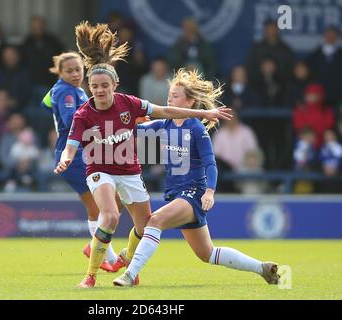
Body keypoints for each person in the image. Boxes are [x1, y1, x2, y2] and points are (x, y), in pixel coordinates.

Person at [54, 21, 232, 288]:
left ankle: (127, 265)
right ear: (89, 87)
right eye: (94, 86)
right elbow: (72, 142)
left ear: (115, 85)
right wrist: (66, 157)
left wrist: (204, 113)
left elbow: (168, 111)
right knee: (111, 216)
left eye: (104, 85)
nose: (99, 91)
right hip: (100, 170)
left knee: (144, 225)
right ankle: (90, 277)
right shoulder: (83, 113)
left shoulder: (130, 104)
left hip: (130, 171)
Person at [112, 69, 280, 287]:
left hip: (193, 194)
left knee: (154, 221)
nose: (169, 99)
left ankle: (129, 274)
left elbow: (211, 163)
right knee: (207, 253)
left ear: (190, 101)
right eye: (169, 95)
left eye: (175, 95)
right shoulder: (165, 124)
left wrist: (210, 191)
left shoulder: (196, 127)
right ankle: (262, 268)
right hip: (177, 195)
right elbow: (134, 131)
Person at [41, 51, 121, 272]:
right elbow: (72, 119)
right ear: (60, 72)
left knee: (103, 203)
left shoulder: (67, 90)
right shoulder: (68, 93)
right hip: (73, 155)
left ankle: (96, 248)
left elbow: (45, 103)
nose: (76, 74)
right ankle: (108, 257)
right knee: (98, 205)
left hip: (81, 154)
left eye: (78, 70)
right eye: (69, 71)